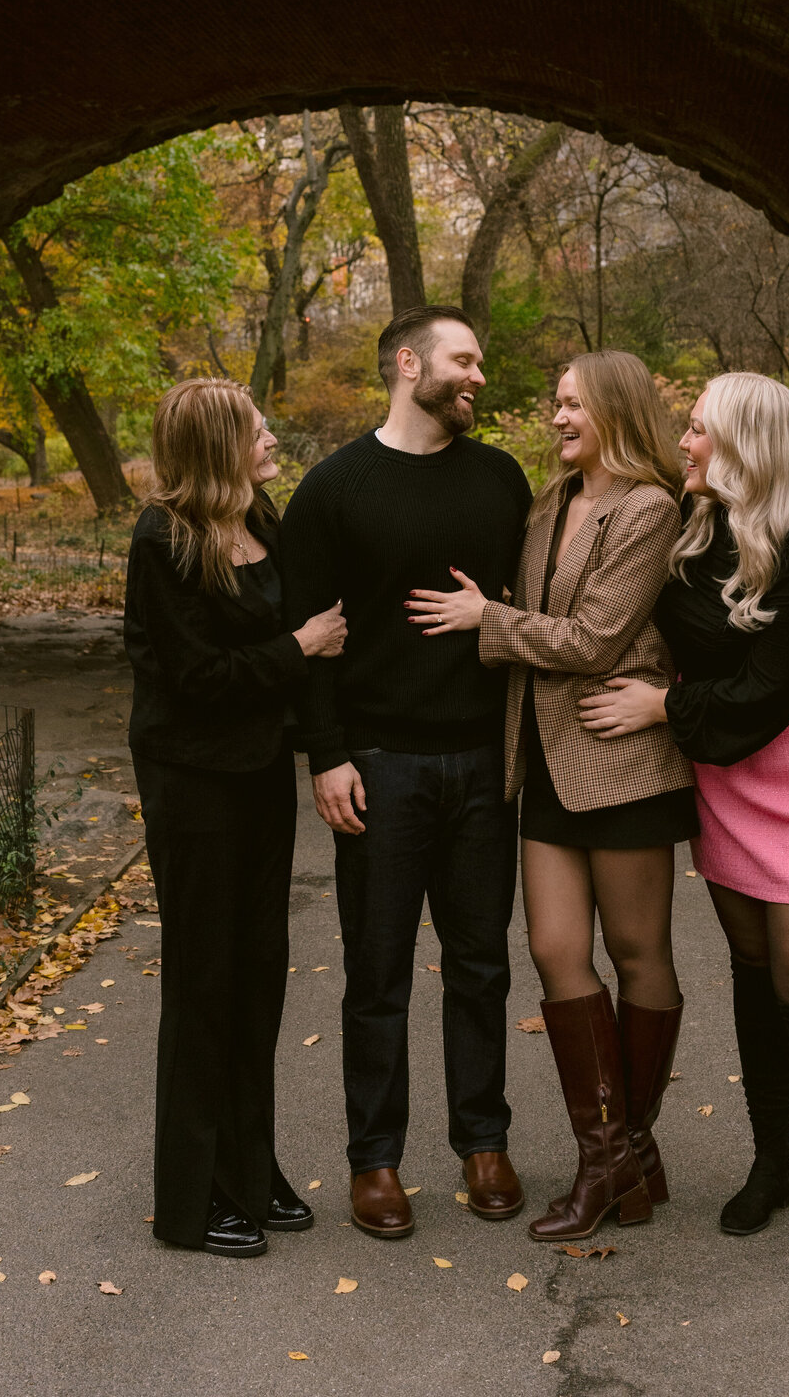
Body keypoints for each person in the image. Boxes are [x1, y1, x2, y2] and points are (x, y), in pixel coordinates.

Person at [578, 371, 789, 1295]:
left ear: (747, 442)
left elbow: (772, 687)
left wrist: (663, 707)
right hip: (724, 767)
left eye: (700, 430)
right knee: (754, 968)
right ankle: (771, 1162)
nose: (685, 444)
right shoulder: (687, 529)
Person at [407, 350, 695, 1241]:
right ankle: (620, 1155)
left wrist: (486, 621)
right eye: (556, 404)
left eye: (574, 405)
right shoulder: (548, 504)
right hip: (542, 762)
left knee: (639, 954)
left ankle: (615, 1159)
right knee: (555, 950)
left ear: (616, 410)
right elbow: (546, 619)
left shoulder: (649, 509)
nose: (558, 418)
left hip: (620, 757)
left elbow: (597, 639)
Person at [280, 306, 533, 1239]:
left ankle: (484, 1142)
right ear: (408, 364)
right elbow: (308, 633)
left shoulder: (501, 480)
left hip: (482, 762)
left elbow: (529, 605)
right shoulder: (333, 489)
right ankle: (375, 1160)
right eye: (464, 359)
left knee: (481, 964)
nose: (478, 377)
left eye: (480, 362)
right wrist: (326, 755)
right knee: (377, 972)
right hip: (378, 766)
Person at [125, 378, 347, 1259]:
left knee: (258, 974)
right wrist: (298, 647)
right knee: (204, 981)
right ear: (218, 445)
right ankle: (192, 1198)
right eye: (257, 431)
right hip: (193, 786)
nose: (272, 440)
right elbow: (195, 679)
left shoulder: (262, 520)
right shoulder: (164, 539)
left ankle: (250, 1170)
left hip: (257, 780)